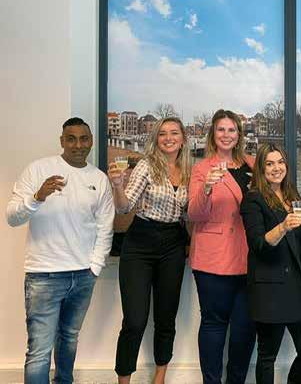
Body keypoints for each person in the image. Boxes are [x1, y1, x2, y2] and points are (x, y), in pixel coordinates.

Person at [6, 117, 114, 384]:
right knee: (40, 350)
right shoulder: (38, 170)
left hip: (82, 276)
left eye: (83, 139)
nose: (78, 145)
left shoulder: (98, 179)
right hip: (44, 275)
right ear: (62, 141)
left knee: (69, 338)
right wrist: (37, 197)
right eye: (71, 139)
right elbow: (12, 217)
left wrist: (94, 267)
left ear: (91, 141)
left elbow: (105, 226)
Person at [109, 117, 191, 384]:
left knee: (166, 318)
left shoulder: (189, 170)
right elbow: (124, 207)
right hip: (140, 243)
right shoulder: (146, 165)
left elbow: (190, 212)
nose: (168, 138)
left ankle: (159, 378)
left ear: (183, 138)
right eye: (163, 134)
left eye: (174, 133)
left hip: (173, 244)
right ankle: (124, 381)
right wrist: (118, 185)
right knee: (134, 320)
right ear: (156, 139)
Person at [240, 144, 301, 384]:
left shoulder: (292, 196)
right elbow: (258, 244)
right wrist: (283, 227)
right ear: (261, 169)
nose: (277, 168)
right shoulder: (253, 199)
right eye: (270, 163)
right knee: (267, 356)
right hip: (270, 288)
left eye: (280, 162)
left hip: (298, 286)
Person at [188, 109, 256, 384]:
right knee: (213, 325)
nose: (226, 135)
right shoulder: (202, 169)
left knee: (245, 328)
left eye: (231, 129)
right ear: (213, 134)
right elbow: (194, 214)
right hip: (213, 259)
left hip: (251, 258)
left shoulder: (254, 165)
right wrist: (206, 188)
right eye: (221, 129)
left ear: (239, 134)